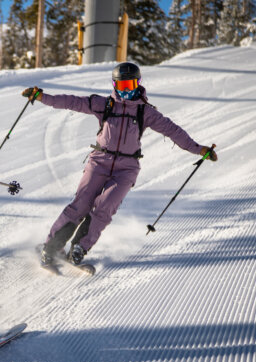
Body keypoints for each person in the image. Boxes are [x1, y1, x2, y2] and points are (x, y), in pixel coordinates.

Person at [22, 62, 218, 269]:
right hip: (99, 162)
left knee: (105, 207)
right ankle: (52, 246)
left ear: (139, 84)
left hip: (127, 169)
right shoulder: (104, 104)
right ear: (115, 85)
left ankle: (80, 247)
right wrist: (43, 97)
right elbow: (72, 102)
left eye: (131, 85)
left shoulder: (145, 112)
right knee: (81, 204)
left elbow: (174, 131)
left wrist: (199, 149)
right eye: (123, 86)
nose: (127, 91)